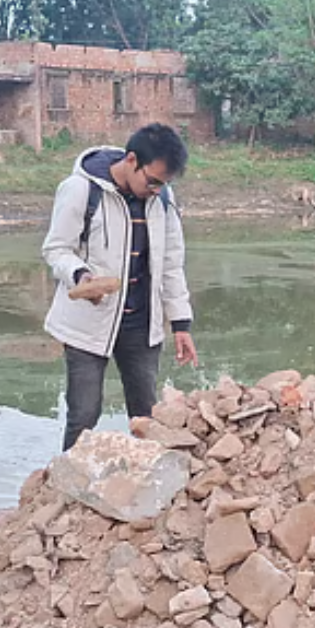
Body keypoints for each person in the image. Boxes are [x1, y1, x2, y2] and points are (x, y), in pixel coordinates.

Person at [42, 123, 199, 451]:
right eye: (152, 181)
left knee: (146, 415)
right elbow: (56, 249)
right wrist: (80, 275)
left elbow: (171, 264)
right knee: (84, 414)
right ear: (131, 160)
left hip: (141, 323)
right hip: (88, 323)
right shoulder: (81, 190)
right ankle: (67, 478)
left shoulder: (162, 199)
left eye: (164, 183)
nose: (156, 190)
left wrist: (181, 324)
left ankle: (147, 476)